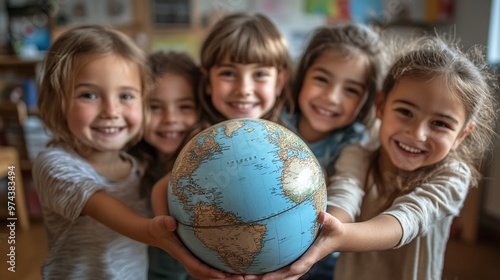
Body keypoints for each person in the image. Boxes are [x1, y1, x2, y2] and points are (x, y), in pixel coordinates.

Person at [253, 34, 498, 280]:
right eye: (405, 111)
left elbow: (407, 220)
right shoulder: (357, 154)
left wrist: (339, 237)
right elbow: (344, 197)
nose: (417, 133)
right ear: (380, 105)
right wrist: (323, 237)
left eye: (440, 124)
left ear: (462, 134)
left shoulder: (453, 175)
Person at [33, 24, 242, 280]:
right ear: (58, 100)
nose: (111, 111)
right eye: (89, 95)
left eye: (126, 96)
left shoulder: (135, 164)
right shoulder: (56, 164)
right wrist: (159, 232)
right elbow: (112, 212)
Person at [151, 12, 293, 215]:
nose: (244, 89)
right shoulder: (200, 140)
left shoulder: (286, 137)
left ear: (279, 82)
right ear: (207, 81)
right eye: (228, 73)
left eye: (260, 74)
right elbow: (161, 190)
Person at [278, 22, 389, 280]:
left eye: (351, 90)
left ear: (367, 100)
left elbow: (347, 193)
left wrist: (326, 235)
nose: (331, 97)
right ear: (302, 75)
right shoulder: (276, 123)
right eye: (321, 79)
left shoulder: (355, 144)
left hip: (321, 257)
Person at [129, 50, 200, 280]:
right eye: (154, 107)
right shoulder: (132, 165)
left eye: (184, 106)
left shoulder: (209, 169)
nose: (170, 118)